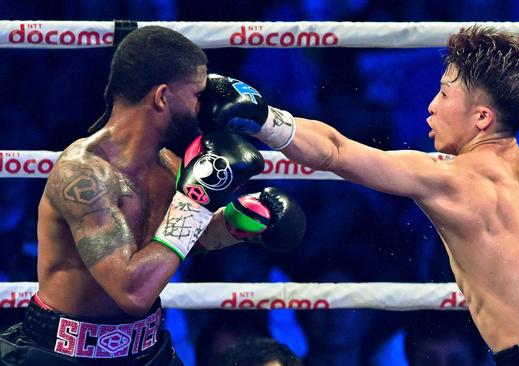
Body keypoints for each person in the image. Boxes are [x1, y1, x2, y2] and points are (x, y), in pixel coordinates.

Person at [198, 25, 519, 366]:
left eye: (445, 92)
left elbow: (335, 150)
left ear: (482, 117)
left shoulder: (445, 177)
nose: (431, 105)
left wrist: (261, 116)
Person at [0, 25, 304, 366]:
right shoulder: (84, 175)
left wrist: (244, 218)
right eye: (198, 95)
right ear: (162, 96)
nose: (207, 108)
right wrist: (198, 199)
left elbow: (183, 241)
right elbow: (132, 291)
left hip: (148, 350)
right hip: (61, 356)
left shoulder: (168, 163)